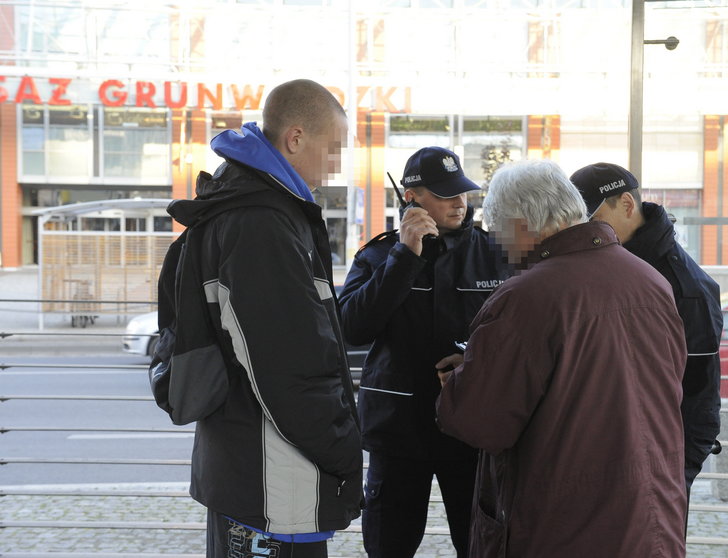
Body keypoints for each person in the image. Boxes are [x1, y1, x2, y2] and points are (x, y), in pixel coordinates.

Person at [436, 159, 688, 558]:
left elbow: (481, 423)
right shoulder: (651, 281)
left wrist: (461, 383)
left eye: (499, 233)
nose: (499, 247)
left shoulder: (525, 298)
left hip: (562, 527)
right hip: (651, 521)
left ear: (521, 225)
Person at [165, 79, 363, 558]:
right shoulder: (262, 224)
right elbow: (291, 370)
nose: (335, 168)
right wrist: (345, 455)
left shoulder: (241, 208)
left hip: (245, 473)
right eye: (333, 150)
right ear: (295, 138)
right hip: (276, 488)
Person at [338, 146, 510, 558]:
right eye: (446, 193)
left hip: (469, 427)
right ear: (412, 197)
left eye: (462, 191)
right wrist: (404, 257)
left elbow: (518, 337)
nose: (459, 201)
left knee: (480, 544)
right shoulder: (379, 255)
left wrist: (475, 360)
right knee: (388, 545)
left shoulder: (495, 254)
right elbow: (351, 329)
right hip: (397, 431)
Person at [570, 162, 723, 509]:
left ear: (626, 205)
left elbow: (699, 391)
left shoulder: (687, 287)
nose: (581, 230)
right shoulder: (604, 261)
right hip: (605, 446)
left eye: (590, 219)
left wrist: (674, 468)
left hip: (659, 458)